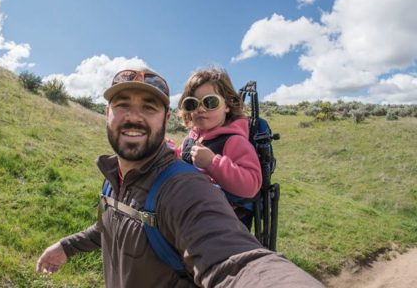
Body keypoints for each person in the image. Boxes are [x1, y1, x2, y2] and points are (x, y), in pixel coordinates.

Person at [36, 68, 323, 288]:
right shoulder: (114, 178)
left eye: (149, 107)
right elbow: (114, 224)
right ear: (106, 113)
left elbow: (235, 263)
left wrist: (214, 163)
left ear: (164, 119)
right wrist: (67, 246)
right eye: (123, 104)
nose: (134, 116)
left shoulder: (186, 186)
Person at [176, 67, 261, 229]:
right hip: (188, 218)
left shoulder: (233, 141)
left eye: (210, 102)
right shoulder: (190, 139)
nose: (200, 109)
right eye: (192, 104)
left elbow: (251, 186)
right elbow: (178, 160)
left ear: (228, 105)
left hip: (222, 226)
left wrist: (213, 163)